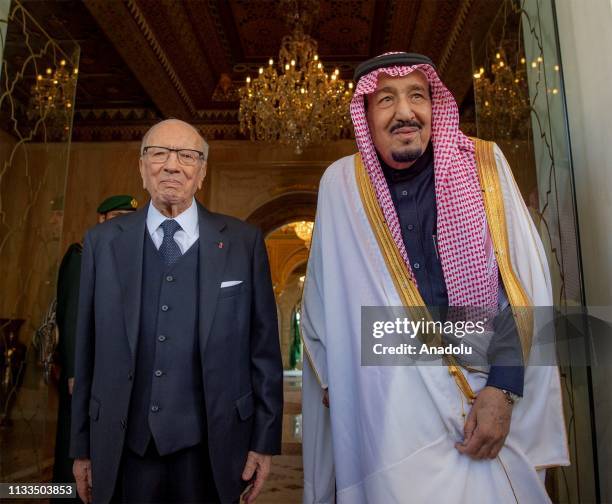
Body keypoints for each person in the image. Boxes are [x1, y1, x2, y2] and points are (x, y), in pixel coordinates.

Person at [301, 53, 569, 503]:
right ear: (365, 114)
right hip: (389, 420)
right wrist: (339, 382)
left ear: (434, 106)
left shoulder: (484, 165)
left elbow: (522, 288)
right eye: (386, 99)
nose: (405, 112)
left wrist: (503, 390)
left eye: (417, 96)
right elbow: (323, 303)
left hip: (484, 402)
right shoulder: (341, 184)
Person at [70, 119, 283, 504]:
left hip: (213, 448)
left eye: (187, 156)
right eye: (159, 153)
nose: (172, 165)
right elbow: (86, 351)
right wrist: (81, 446)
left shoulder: (242, 242)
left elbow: (264, 350)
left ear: (201, 173)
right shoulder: (101, 243)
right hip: (123, 446)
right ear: (141, 166)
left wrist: (264, 441)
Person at [52, 195, 138, 501]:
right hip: (83, 375)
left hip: (108, 376)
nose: (122, 224)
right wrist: (76, 372)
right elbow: (74, 317)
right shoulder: (82, 254)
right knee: (73, 447)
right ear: (101, 220)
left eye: (128, 218)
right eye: (116, 217)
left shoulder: (125, 260)